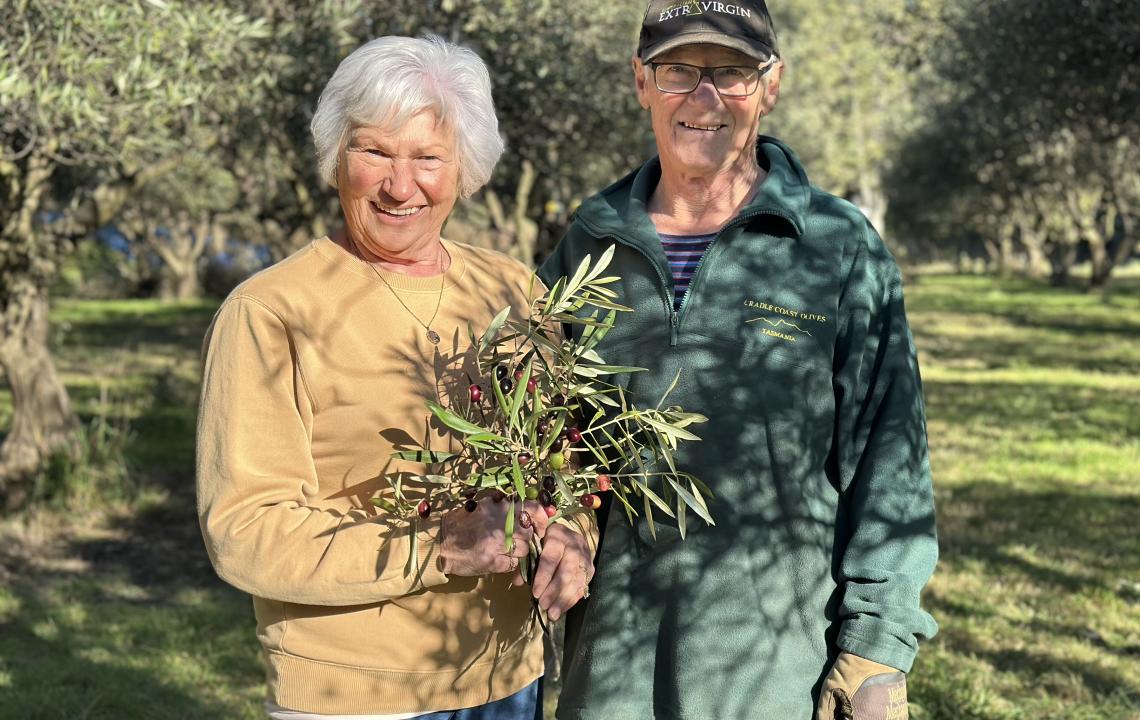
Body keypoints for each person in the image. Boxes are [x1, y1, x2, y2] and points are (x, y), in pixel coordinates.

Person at [538, 2, 937, 718]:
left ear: (771, 84)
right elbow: (545, 442)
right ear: (639, 82)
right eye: (679, 71)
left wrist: (877, 647)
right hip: (612, 678)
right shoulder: (586, 247)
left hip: (780, 673)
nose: (704, 97)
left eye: (731, 72)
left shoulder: (837, 246)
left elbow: (890, 457)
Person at [196, 34, 594, 720]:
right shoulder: (272, 311)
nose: (399, 185)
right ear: (336, 158)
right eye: (374, 151)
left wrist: (572, 532)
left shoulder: (514, 290)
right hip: (358, 696)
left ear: (463, 167)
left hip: (509, 680)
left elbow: (564, 461)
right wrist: (435, 548)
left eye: (427, 157)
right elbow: (245, 529)